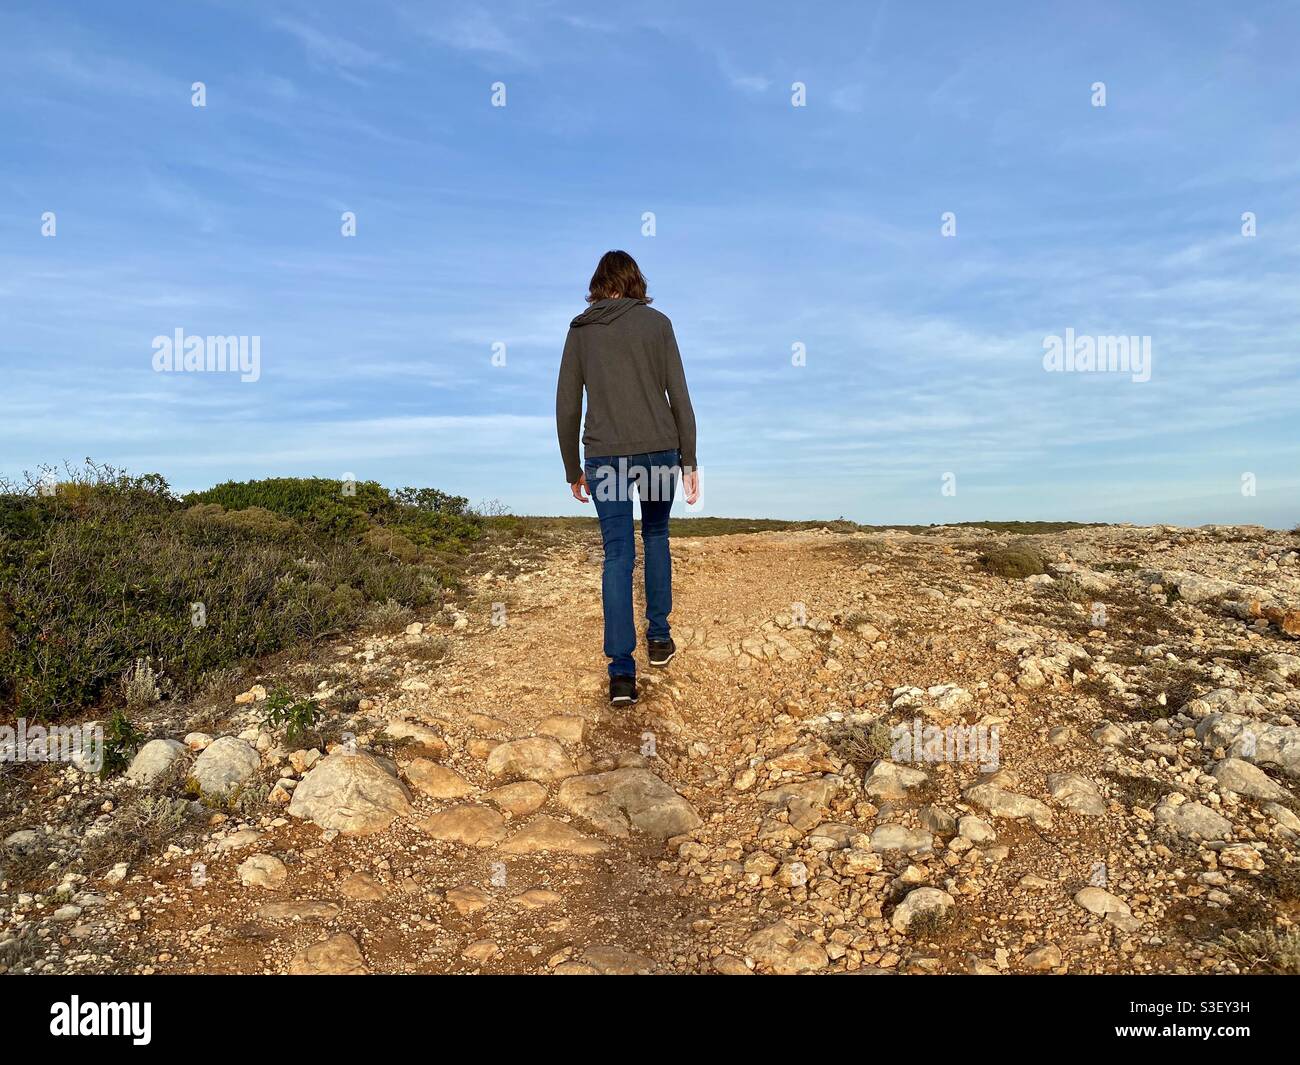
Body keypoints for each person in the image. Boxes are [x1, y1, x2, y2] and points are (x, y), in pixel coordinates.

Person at [555, 250, 699, 706]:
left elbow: (566, 406)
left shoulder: (581, 331)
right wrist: (689, 458)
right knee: (656, 535)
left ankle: (621, 673)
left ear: (598, 284)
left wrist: (571, 468)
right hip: (659, 450)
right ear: (635, 282)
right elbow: (679, 394)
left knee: (618, 555)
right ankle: (659, 637)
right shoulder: (658, 324)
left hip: (607, 456)